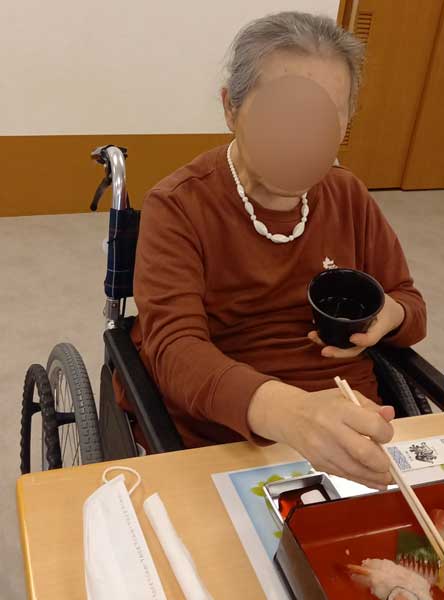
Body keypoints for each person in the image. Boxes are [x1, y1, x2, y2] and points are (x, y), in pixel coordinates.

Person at [114, 11, 426, 490]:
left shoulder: (347, 195)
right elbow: (175, 350)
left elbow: (409, 304)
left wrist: (390, 314)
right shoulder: (179, 204)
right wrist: (293, 413)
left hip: (357, 427)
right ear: (231, 108)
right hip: (224, 433)